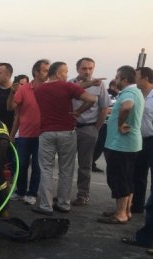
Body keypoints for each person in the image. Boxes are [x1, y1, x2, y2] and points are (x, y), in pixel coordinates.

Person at [33, 61, 96, 216]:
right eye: (65, 72)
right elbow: (91, 99)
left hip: (46, 132)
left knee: (46, 169)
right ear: (58, 73)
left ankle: (45, 205)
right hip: (67, 131)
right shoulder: (68, 87)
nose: (67, 75)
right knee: (66, 170)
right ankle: (63, 203)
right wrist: (78, 112)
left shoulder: (39, 90)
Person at [98, 66, 145, 224]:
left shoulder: (129, 92)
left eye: (117, 77)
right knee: (127, 178)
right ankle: (125, 210)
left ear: (124, 79)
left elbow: (127, 106)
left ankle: (120, 214)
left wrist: (120, 123)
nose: (115, 80)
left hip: (121, 145)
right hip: (130, 144)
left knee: (118, 178)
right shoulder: (136, 91)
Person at [69, 58, 110, 207]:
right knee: (66, 164)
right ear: (77, 68)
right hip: (71, 128)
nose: (87, 71)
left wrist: (95, 128)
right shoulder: (71, 84)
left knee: (85, 165)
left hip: (88, 128)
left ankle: (83, 195)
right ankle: (64, 194)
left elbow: (104, 108)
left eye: (90, 68)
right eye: (84, 68)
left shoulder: (100, 86)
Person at [8, 59, 49, 206]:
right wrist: (12, 93)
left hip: (43, 135)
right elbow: (12, 109)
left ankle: (32, 193)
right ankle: (20, 192)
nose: (47, 73)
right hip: (25, 134)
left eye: (48, 70)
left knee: (38, 166)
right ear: (36, 72)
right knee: (21, 164)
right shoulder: (24, 89)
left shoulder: (49, 89)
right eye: (44, 70)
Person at [131, 67, 153, 213]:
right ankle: (137, 205)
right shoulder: (137, 94)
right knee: (137, 174)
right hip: (140, 140)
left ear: (145, 78)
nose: (134, 79)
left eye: (136, 76)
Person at [93, 79, 120, 172]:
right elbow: (104, 109)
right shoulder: (109, 95)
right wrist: (116, 111)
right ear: (112, 86)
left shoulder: (117, 96)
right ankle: (92, 162)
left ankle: (93, 162)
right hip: (104, 123)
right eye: (117, 86)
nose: (118, 89)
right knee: (100, 145)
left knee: (103, 145)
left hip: (110, 124)